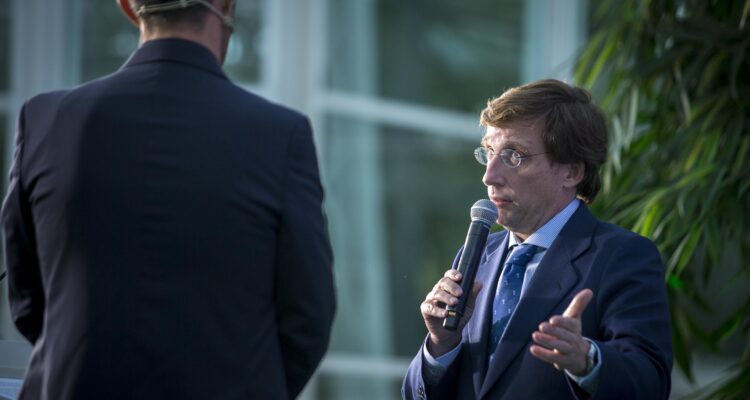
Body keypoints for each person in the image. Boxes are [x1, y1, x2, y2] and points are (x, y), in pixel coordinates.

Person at [1, 0, 336, 398]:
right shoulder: (281, 136)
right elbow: (308, 318)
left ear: (128, 6)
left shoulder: (45, 120)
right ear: (226, 5)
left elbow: (27, 299)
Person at [402, 79, 672, 399]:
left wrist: (586, 361)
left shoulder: (621, 256)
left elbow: (650, 384)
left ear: (571, 172)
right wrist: (440, 346)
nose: (489, 176)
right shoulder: (476, 254)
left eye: (514, 155)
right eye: (489, 152)